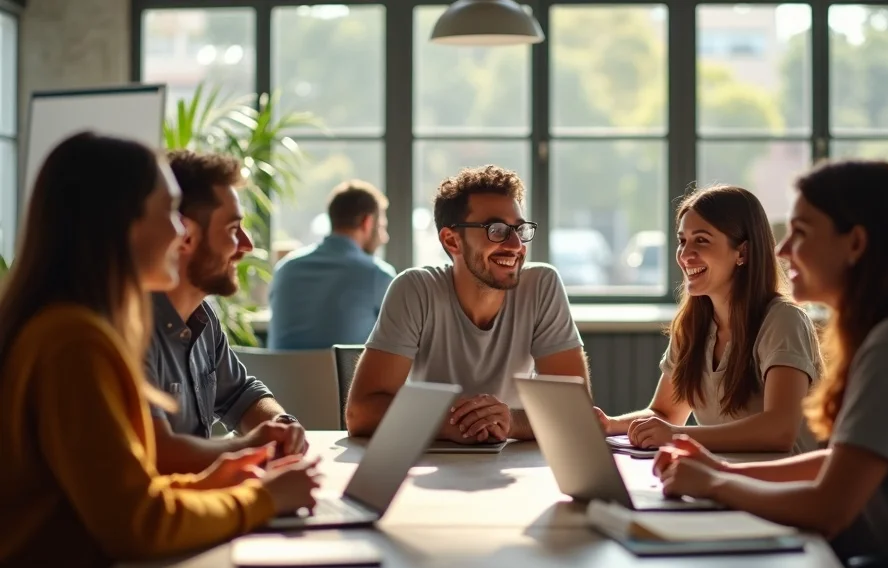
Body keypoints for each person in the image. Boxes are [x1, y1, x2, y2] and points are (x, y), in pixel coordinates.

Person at [655, 160, 888, 565]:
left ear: (855, 243)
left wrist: (716, 483)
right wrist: (721, 473)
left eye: (801, 232)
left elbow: (828, 509)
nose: (784, 250)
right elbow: (839, 464)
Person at [0, 132, 320, 568]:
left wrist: (208, 484)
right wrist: (262, 499)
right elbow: (137, 523)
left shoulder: (68, 328)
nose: (179, 230)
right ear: (121, 223)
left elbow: (120, 493)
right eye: (169, 211)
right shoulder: (74, 342)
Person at [345, 165, 590, 443]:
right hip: (428, 463)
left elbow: (576, 411)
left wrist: (510, 421)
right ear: (452, 240)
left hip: (511, 465)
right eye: (496, 230)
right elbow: (360, 414)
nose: (515, 245)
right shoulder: (415, 289)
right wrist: (455, 424)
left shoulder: (541, 285)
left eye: (519, 229)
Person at [595, 185, 823, 453]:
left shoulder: (783, 321)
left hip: (786, 488)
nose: (685, 254)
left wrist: (676, 437)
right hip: (726, 482)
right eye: (682, 241)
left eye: (701, 240)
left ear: (743, 252)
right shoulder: (692, 327)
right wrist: (609, 425)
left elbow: (779, 431)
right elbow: (665, 414)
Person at [145, 150, 307, 475]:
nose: (246, 245)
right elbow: (156, 453)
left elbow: (241, 395)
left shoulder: (203, 317)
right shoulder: (132, 328)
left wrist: (281, 427)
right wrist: (252, 445)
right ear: (186, 235)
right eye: (233, 229)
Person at [268, 179, 395, 349]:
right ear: (367, 222)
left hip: (276, 375)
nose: (384, 237)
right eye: (381, 227)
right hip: (342, 376)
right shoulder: (378, 275)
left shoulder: (285, 269)